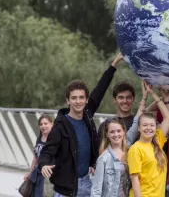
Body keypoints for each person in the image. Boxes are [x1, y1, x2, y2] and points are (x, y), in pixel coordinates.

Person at [40, 53, 124, 197]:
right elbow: (47, 151)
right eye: (74, 98)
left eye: (81, 97)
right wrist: (43, 165)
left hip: (86, 183)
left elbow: (100, 89)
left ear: (86, 100)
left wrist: (114, 63)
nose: (78, 101)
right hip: (65, 189)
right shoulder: (60, 126)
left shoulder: (87, 114)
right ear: (68, 101)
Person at [128, 84, 169, 197]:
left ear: (155, 127)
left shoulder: (157, 141)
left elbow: (168, 117)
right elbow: (135, 180)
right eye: (145, 125)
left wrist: (153, 94)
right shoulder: (136, 149)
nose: (148, 128)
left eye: (151, 125)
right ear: (139, 128)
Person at [91, 118, 131, 197]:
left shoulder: (130, 152)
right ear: (107, 134)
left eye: (119, 131)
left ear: (124, 132)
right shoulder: (103, 158)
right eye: (112, 132)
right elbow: (96, 190)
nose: (116, 134)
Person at [26, 114, 55, 197]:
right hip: (37, 174)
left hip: (48, 176)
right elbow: (36, 157)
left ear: (51, 124)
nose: (43, 126)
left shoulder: (55, 139)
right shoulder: (40, 137)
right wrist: (30, 172)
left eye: (46, 123)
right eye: (41, 124)